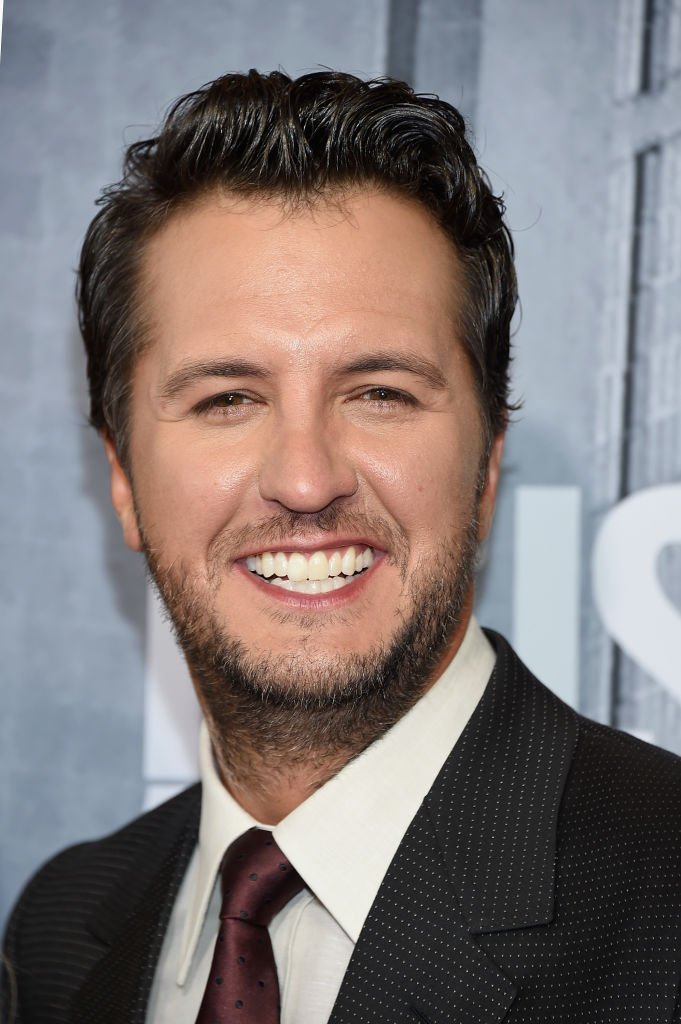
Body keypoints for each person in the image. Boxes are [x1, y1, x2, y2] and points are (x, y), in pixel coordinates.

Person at [3, 69, 681, 1024]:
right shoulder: (60, 930)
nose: (307, 478)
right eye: (226, 399)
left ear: (486, 461)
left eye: (380, 393)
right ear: (122, 478)